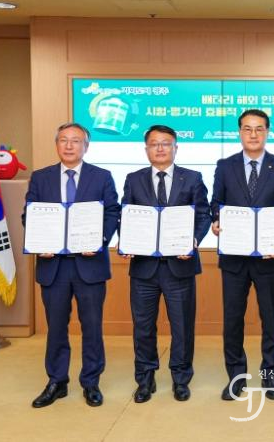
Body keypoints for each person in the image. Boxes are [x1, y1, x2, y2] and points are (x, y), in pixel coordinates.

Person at [24, 122, 120, 408]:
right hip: (53, 266)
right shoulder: (40, 178)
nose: (69, 145)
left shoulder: (101, 176)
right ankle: (57, 381)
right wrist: (39, 242)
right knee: (56, 327)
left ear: (85, 146)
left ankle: (91, 382)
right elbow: (29, 215)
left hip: (89, 264)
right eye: (63, 140)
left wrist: (100, 240)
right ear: (56, 145)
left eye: (76, 141)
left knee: (92, 326)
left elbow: (112, 212)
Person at [121, 125, 211, 403]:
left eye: (165, 143)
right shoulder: (133, 179)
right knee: (143, 327)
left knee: (182, 326)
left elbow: (203, 215)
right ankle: (145, 379)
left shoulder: (192, 178)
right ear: (146, 149)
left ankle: (181, 379)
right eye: (154, 144)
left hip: (180, 266)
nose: (160, 148)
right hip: (144, 268)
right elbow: (126, 215)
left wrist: (193, 240)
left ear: (175, 148)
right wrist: (126, 240)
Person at [210, 109, 274, 401]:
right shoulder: (225, 166)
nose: (253, 134)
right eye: (247, 129)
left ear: (267, 132)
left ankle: (270, 375)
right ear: (239, 132)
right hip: (234, 257)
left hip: (268, 258)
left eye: (259, 129)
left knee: (271, 318)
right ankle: (236, 377)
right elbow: (216, 203)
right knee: (233, 319)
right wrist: (216, 221)